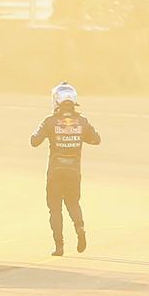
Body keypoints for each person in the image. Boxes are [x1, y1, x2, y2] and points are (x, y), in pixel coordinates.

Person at [30, 82, 101, 256]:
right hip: (74, 171)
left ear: (55, 100)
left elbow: (34, 141)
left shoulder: (49, 121)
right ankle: (80, 229)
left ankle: (59, 246)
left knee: (55, 208)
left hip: (55, 171)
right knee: (73, 203)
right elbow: (96, 139)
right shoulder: (82, 121)